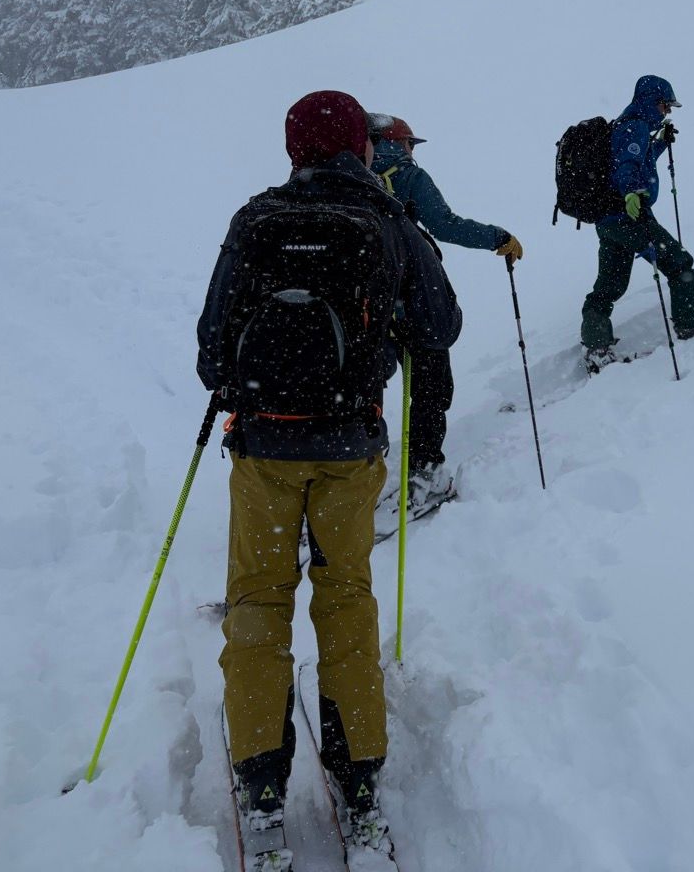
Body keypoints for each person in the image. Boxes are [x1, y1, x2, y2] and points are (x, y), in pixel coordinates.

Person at [197, 90, 461, 864]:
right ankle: (361, 776)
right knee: (345, 598)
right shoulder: (385, 218)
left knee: (258, 601)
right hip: (350, 449)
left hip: (265, 450)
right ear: (360, 147)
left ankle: (260, 781)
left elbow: (211, 349)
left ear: (293, 149)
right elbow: (441, 325)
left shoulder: (256, 219)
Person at [366, 112, 522, 508]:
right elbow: (445, 224)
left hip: (364, 303)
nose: (411, 150)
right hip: (413, 300)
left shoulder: (350, 177)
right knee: (431, 388)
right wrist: (497, 238)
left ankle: (357, 476)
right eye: (409, 142)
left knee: (365, 388)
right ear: (394, 142)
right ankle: (424, 474)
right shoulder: (408, 176)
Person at [581, 75, 694, 372]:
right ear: (652, 102)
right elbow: (627, 166)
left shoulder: (625, 125)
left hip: (609, 221)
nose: (667, 112)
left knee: (609, 286)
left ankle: (597, 348)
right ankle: (692, 329)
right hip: (629, 217)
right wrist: (631, 194)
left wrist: (661, 142)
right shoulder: (635, 126)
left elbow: (638, 158)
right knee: (679, 264)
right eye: (666, 106)